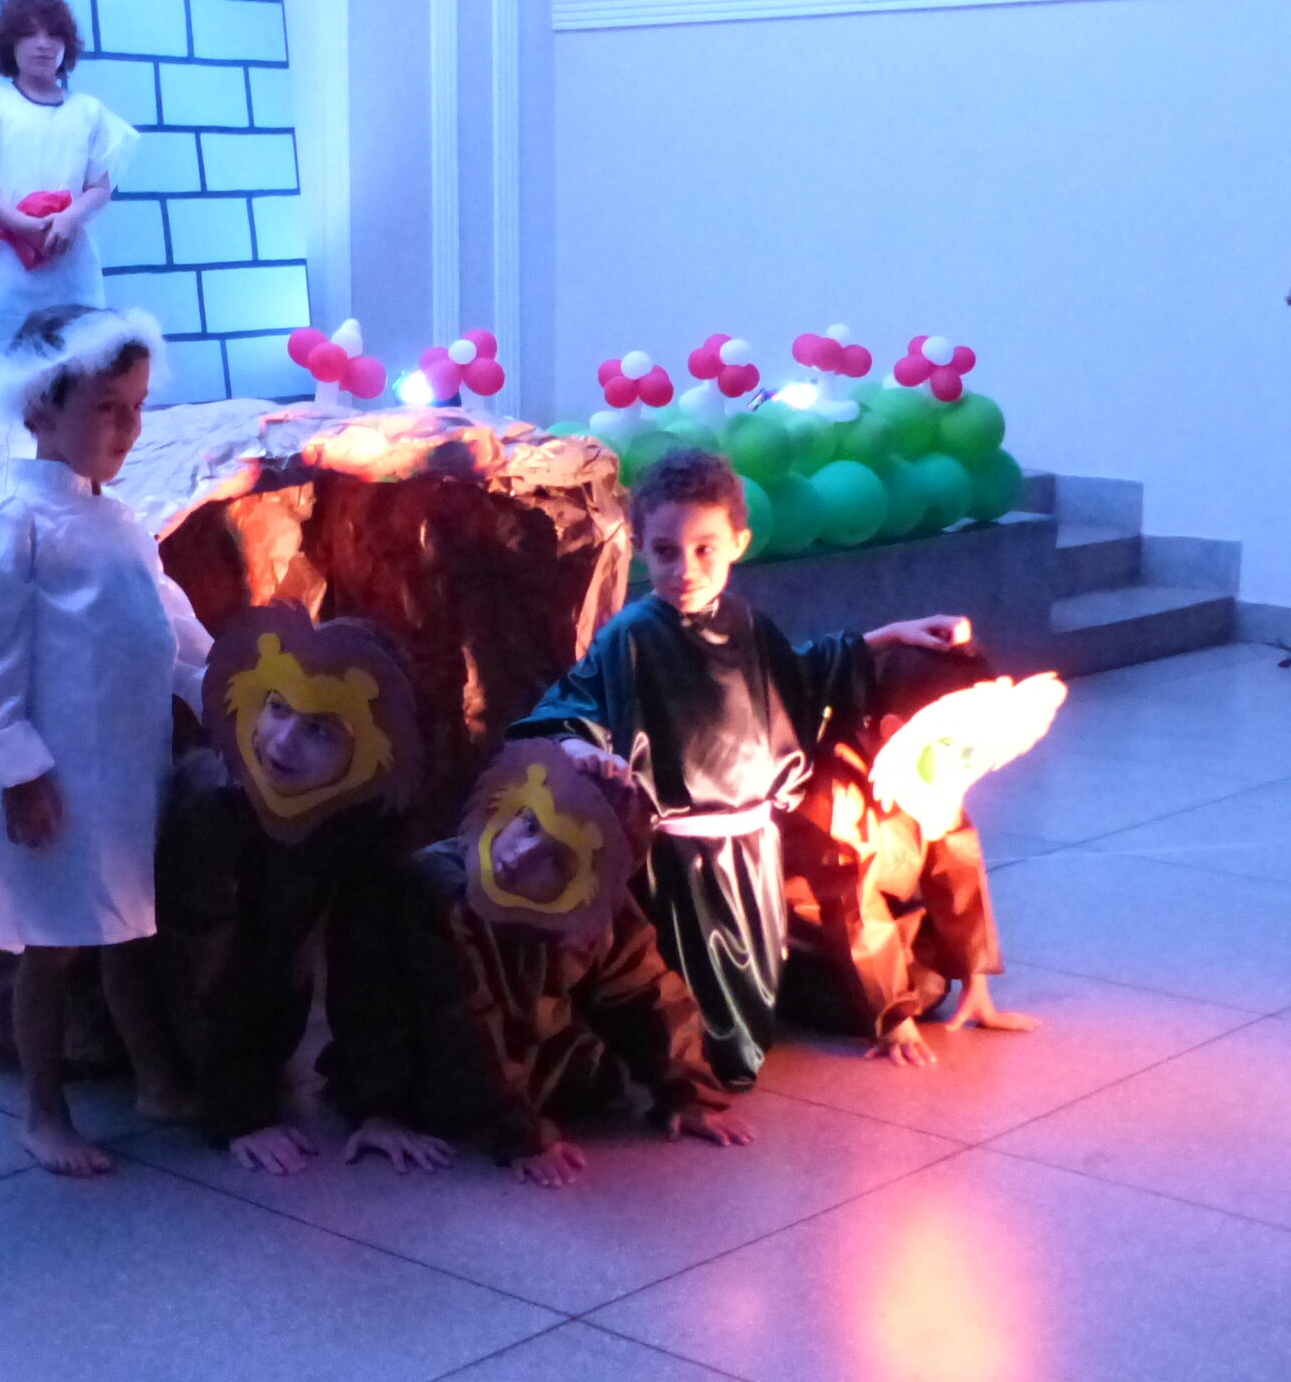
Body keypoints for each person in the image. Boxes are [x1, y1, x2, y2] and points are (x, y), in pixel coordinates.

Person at [508, 448, 968, 1089]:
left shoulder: (747, 624)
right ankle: (679, 1066)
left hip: (751, 850)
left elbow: (799, 676)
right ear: (640, 548)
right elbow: (569, 707)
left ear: (738, 544)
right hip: (677, 862)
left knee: (752, 989)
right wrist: (579, 744)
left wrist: (890, 635)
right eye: (665, 552)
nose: (686, 570)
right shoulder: (632, 637)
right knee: (693, 1005)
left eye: (705, 550)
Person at [0, 303, 210, 1178]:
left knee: (124, 926)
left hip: (126, 771)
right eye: (107, 407)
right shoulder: (20, 524)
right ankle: (42, 1108)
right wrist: (18, 769)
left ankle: (154, 1077)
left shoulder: (123, 521)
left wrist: (227, 688)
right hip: (59, 780)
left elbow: (171, 628)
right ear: (39, 405)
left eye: (136, 406)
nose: (128, 427)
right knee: (53, 943)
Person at [319, 740, 753, 1189]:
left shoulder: (593, 906)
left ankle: (522, 1096)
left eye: (556, 857)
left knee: (600, 1067)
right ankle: (386, 1110)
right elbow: (463, 1022)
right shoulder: (442, 891)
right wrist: (518, 1135)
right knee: (399, 1054)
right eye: (529, 824)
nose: (521, 853)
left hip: (522, 1055)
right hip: (425, 1059)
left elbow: (645, 992)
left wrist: (687, 1093)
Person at [155, 603, 423, 1176]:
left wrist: (377, 1104)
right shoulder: (214, 800)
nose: (281, 741)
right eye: (278, 708)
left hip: (266, 1019)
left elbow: (367, 955)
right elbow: (195, 966)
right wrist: (239, 1112)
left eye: (319, 729)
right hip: (167, 1028)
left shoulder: (362, 811)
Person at [780, 644, 1046, 1066]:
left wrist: (973, 980)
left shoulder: (935, 771)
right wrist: (893, 1016)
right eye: (954, 743)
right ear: (893, 729)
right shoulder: (836, 791)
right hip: (813, 939)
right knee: (859, 999)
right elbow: (850, 907)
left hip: (889, 908)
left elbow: (957, 867)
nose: (967, 759)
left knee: (928, 985)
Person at [0, 0, 138, 416]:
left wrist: (67, 220)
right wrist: (22, 224)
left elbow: (100, 186)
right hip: (4, 269)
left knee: (78, 367)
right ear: (9, 43)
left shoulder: (88, 112)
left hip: (70, 262)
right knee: (2, 369)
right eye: (29, 33)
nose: (43, 44)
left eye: (53, 34)